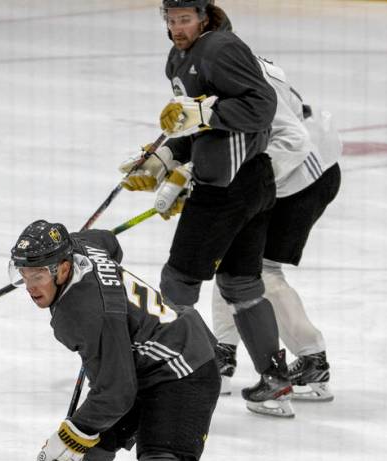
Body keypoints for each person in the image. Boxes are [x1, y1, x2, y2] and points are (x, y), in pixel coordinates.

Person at [4, 220, 244, 461]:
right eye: (25, 273)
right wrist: (112, 333)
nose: (31, 285)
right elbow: (109, 244)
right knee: (90, 449)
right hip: (146, 358)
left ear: (65, 267)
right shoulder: (83, 245)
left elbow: (116, 394)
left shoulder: (81, 314)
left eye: (39, 274)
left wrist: (72, 431)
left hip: (183, 367)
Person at [118, 0, 293, 417]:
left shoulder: (220, 49)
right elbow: (194, 127)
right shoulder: (179, 58)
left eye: (186, 19)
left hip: (228, 190)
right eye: (172, 20)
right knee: (239, 284)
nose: (178, 27)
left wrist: (207, 111)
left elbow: (261, 108)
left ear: (204, 16)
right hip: (248, 184)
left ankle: (190, 375)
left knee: (176, 284)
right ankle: (276, 380)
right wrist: (165, 160)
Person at [209, 54, 342, 402]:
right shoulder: (224, 61)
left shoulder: (230, 69)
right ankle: (222, 353)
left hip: (301, 178)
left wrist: (240, 186)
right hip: (297, 171)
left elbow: (291, 139)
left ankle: (313, 357)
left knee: (259, 271)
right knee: (232, 259)